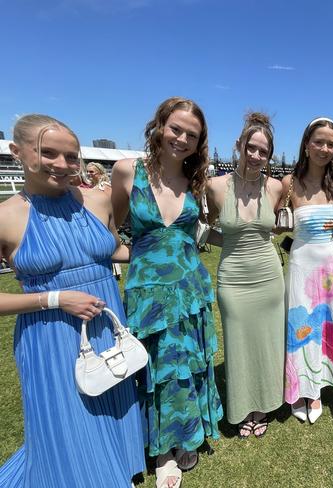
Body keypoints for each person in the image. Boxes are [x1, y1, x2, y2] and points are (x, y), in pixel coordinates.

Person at [0, 114, 144, 487]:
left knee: (112, 392)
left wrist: (169, 246)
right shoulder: (6, 216)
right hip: (49, 334)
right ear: (18, 152)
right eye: (49, 153)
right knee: (67, 415)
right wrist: (55, 299)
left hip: (106, 322)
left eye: (71, 156)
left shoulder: (98, 201)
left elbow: (116, 250)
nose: (63, 165)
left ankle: (118, 470)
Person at [112, 97, 223, 488]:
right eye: (176, 128)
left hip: (190, 287)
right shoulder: (127, 171)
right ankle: (162, 450)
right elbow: (110, 229)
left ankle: (188, 433)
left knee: (188, 362)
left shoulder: (197, 181)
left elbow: (205, 232)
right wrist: (139, 257)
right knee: (156, 368)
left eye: (192, 135)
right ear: (159, 125)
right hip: (147, 293)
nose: (182, 139)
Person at [205, 112, 285, 439]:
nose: (255, 155)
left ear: (269, 155)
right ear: (239, 146)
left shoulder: (276, 187)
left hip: (268, 277)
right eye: (250, 147)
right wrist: (229, 241)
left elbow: (272, 229)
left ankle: (264, 404)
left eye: (262, 151)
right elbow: (203, 227)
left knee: (267, 342)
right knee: (238, 344)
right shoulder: (214, 186)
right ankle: (241, 407)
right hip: (233, 278)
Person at [281, 117, 333, 424]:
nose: (324, 148)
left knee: (326, 325)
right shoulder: (289, 183)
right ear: (306, 145)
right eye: (318, 142)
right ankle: (299, 387)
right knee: (300, 326)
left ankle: (318, 388)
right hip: (301, 264)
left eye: (330, 144)